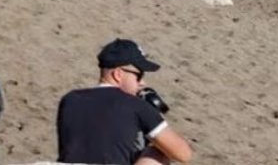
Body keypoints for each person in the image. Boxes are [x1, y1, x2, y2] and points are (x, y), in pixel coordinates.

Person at [56, 39, 193, 165]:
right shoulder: (136, 105)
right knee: (158, 152)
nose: (142, 83)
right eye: (139, 76)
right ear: (118, 74)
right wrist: (153, 121)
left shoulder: (70, 99)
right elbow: (183, 154)